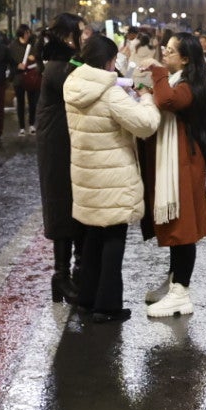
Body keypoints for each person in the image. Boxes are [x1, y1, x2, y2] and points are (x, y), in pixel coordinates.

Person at [64, 33, 160, 323]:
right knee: (113, 239)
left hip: (86, 173)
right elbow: (146, 125)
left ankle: (87, 299)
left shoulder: (73, 83)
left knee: (94, 235)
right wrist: (145, 98)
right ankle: (107, 306)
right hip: (113, 176)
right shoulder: (109, 92)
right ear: (108, 61)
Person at [137, 31, 206, 317]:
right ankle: (174, 282)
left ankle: (181, 291)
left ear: (185, 58)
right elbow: (155, 95)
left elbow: (168, 101)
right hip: (173, 161)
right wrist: (144, 81)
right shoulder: (173, 79)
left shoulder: (189, 85)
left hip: (184, 162)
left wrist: (156, 73)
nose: (164, 54)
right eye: (165, 50)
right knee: (175, 226)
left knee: (184, 229)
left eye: (170, 51)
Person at [36, 13, 85, 303]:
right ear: (69, 36)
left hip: (66, 141)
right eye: (81, 32)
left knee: (72, 202)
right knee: (61, 205)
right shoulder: (58, 67)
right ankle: (61, 276)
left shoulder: (66, 63)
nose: (85, 37)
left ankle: (74, 272)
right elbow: (82, 89)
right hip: (57, 145)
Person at [13, 24, 40, 136]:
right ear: (22, 33)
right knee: (20, 102)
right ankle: (22, 127)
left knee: (32, 102)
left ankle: (31, 124)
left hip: (31, 76)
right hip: (19, 77)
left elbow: (39, 57)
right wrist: (17, 65)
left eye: (29, 33)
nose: (28, 35)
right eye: (27, 33)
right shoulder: (13, 46)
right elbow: (10, 61)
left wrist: (34, 58)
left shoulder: (32, 45)